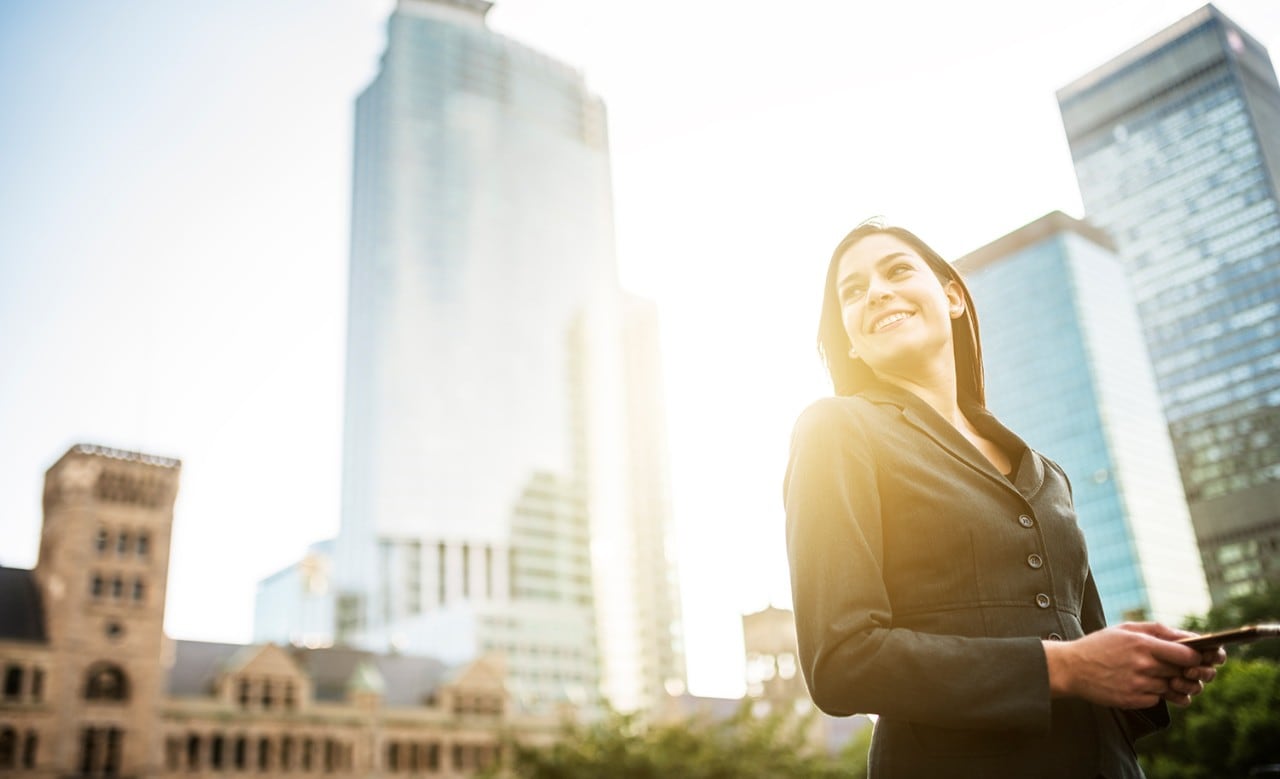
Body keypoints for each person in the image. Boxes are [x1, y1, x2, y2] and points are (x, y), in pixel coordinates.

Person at [783, 219, 1224, 779]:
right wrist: (1064, 668)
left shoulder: (1048, 474)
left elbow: (1086, 642)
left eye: (896, 270)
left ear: (952, 297)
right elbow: (841, 661)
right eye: (853, 291)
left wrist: (1145, 667)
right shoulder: (836, 430)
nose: (876, 292)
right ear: (849, 337)